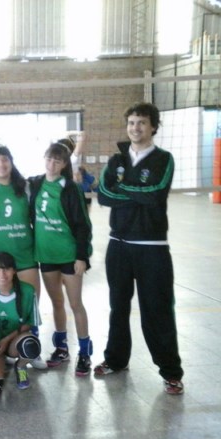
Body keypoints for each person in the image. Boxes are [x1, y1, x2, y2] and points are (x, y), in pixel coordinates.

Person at [96, 102, 184, 395]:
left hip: (152, 247)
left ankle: (171, 372)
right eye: (132, 122)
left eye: (142, 123)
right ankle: (116, 360)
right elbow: (103, 195)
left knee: (157, 310)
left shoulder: (164, 159)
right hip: (119, 245)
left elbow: (156, 193)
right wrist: (135, 194)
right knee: (118, 307)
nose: (136, 128)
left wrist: (122, 190)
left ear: (153, 127)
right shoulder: (116, 160)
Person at [0, 145, 46, 370]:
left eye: (4, 160)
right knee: (6, 305)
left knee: (31, 303)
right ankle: (9, 346)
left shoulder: (25, 187)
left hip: (24, 254)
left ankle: (32, 348)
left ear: (11, 161)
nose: (1, 165)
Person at [29, 141, 93, 376]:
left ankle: (84, 352)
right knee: (56, 302)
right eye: (49, 158)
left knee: (75, 304)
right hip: (46, 255)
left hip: (68, 255)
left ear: (64, 164)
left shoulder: (70, 188)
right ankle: (61, 347)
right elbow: (11, 180)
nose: (52, 164)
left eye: (57, 160)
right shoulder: (35, 183)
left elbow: (83, 224)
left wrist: (81, 256)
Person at [0, 252, 42, 396]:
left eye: (6, 269)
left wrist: (7, 340)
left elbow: (31, 322)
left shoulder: (28, 290)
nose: (2, 274)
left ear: (14, 270)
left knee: (30, 345)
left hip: (13, 342)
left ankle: (21, 366)